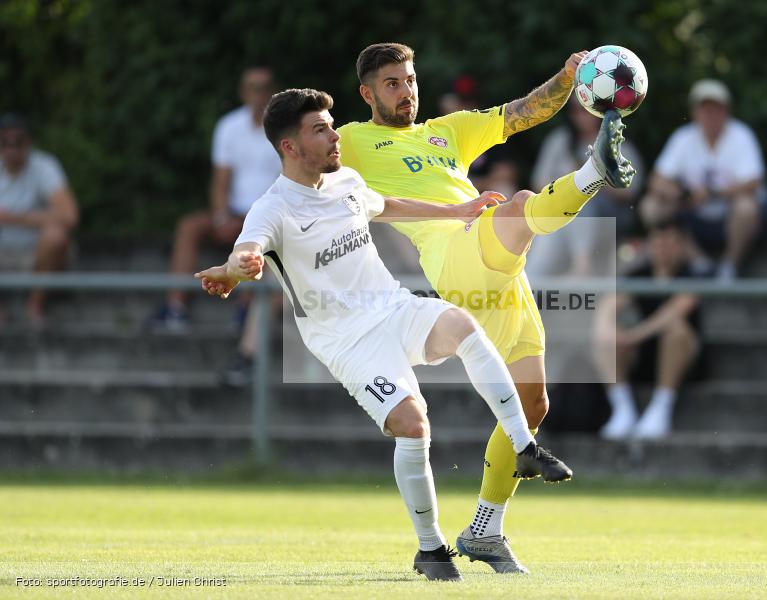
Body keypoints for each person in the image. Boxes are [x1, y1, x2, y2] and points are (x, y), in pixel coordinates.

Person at [194, 88, 572, 581]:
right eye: (321, 129)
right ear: (290, 147)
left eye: (331, 125)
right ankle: (431, 547)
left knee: (463, 324)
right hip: (345, 340)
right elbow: (247, 251)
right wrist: (236, 268)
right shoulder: (272, 208)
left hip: (392, 307)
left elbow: (386, 205)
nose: (335, 135)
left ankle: (524, 448)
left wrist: (457, 211)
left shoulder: (346, 180)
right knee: (414, 427)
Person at [336, 43, 634, 572]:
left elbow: (523, 112)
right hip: (454, 257)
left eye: (409, 80)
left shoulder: (447, 130)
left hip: (500, 270)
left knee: (533, 405)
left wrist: (567, 77)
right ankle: (593, 174)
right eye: (391, 84)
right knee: (516, 206)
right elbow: (306, 168)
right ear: (367, 93)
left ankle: (485, 529)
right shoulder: (353, 141)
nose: (406, 92)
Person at [149, 66, 281, 332]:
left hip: (268, 214)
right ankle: (175, 307)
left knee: (266, 237)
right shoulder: (229, 126)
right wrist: (222, 218)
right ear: (243, 93)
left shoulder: (285, 130)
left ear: (273, 91)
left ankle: (246, 309)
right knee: (190, 227)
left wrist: (250, 222)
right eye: (253, 88)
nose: (258, 95)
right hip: (233, 212)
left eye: (263, 88)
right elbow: (220, 181)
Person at [639, 79, 767, 281]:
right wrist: (679, 193)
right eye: (704, 109)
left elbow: (754, 181)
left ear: (726, 111)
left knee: (746, 207)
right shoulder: (683, 137)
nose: (709, 114)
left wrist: (712, 193)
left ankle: (730, 265)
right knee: (651, 206)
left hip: (730, 214)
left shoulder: (741, 135)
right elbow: (657, 180)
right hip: (694, 214)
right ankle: (696, 261)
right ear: (695, 112)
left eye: (715, 109)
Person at [592, 220, 704, 440]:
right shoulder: (639, 275)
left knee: (677, 330)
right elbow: (608, 305)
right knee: (606, 337)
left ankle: (661, 408)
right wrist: (605, 327)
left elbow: (674, 312)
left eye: (669, 242)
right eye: (658, 241)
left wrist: (634, 335)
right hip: (643, 352)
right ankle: (622, 408)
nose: (663, 247)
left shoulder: (692, 275)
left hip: (683, 355)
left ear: (681, 246)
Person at [526, 96, 644, 278]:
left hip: (609, 213)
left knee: (580, 198)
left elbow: (629, 191)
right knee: (563, 208)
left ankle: (582, 265)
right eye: (576, 110)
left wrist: (592, 178)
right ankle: (530, 279)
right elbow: (538, 183)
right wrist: (567, 185)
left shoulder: (615, 140)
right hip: (560, 211)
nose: (581, 116)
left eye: (587, 111)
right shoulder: (560, 141)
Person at [0, 113, 79, 326]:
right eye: (5, 142)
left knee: (56, 236)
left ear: (29, 142)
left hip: (37, 254)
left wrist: (13, 218)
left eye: (18, 142)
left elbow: (69, 215)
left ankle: (35, 306)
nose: (11, 149)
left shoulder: (44, 165)